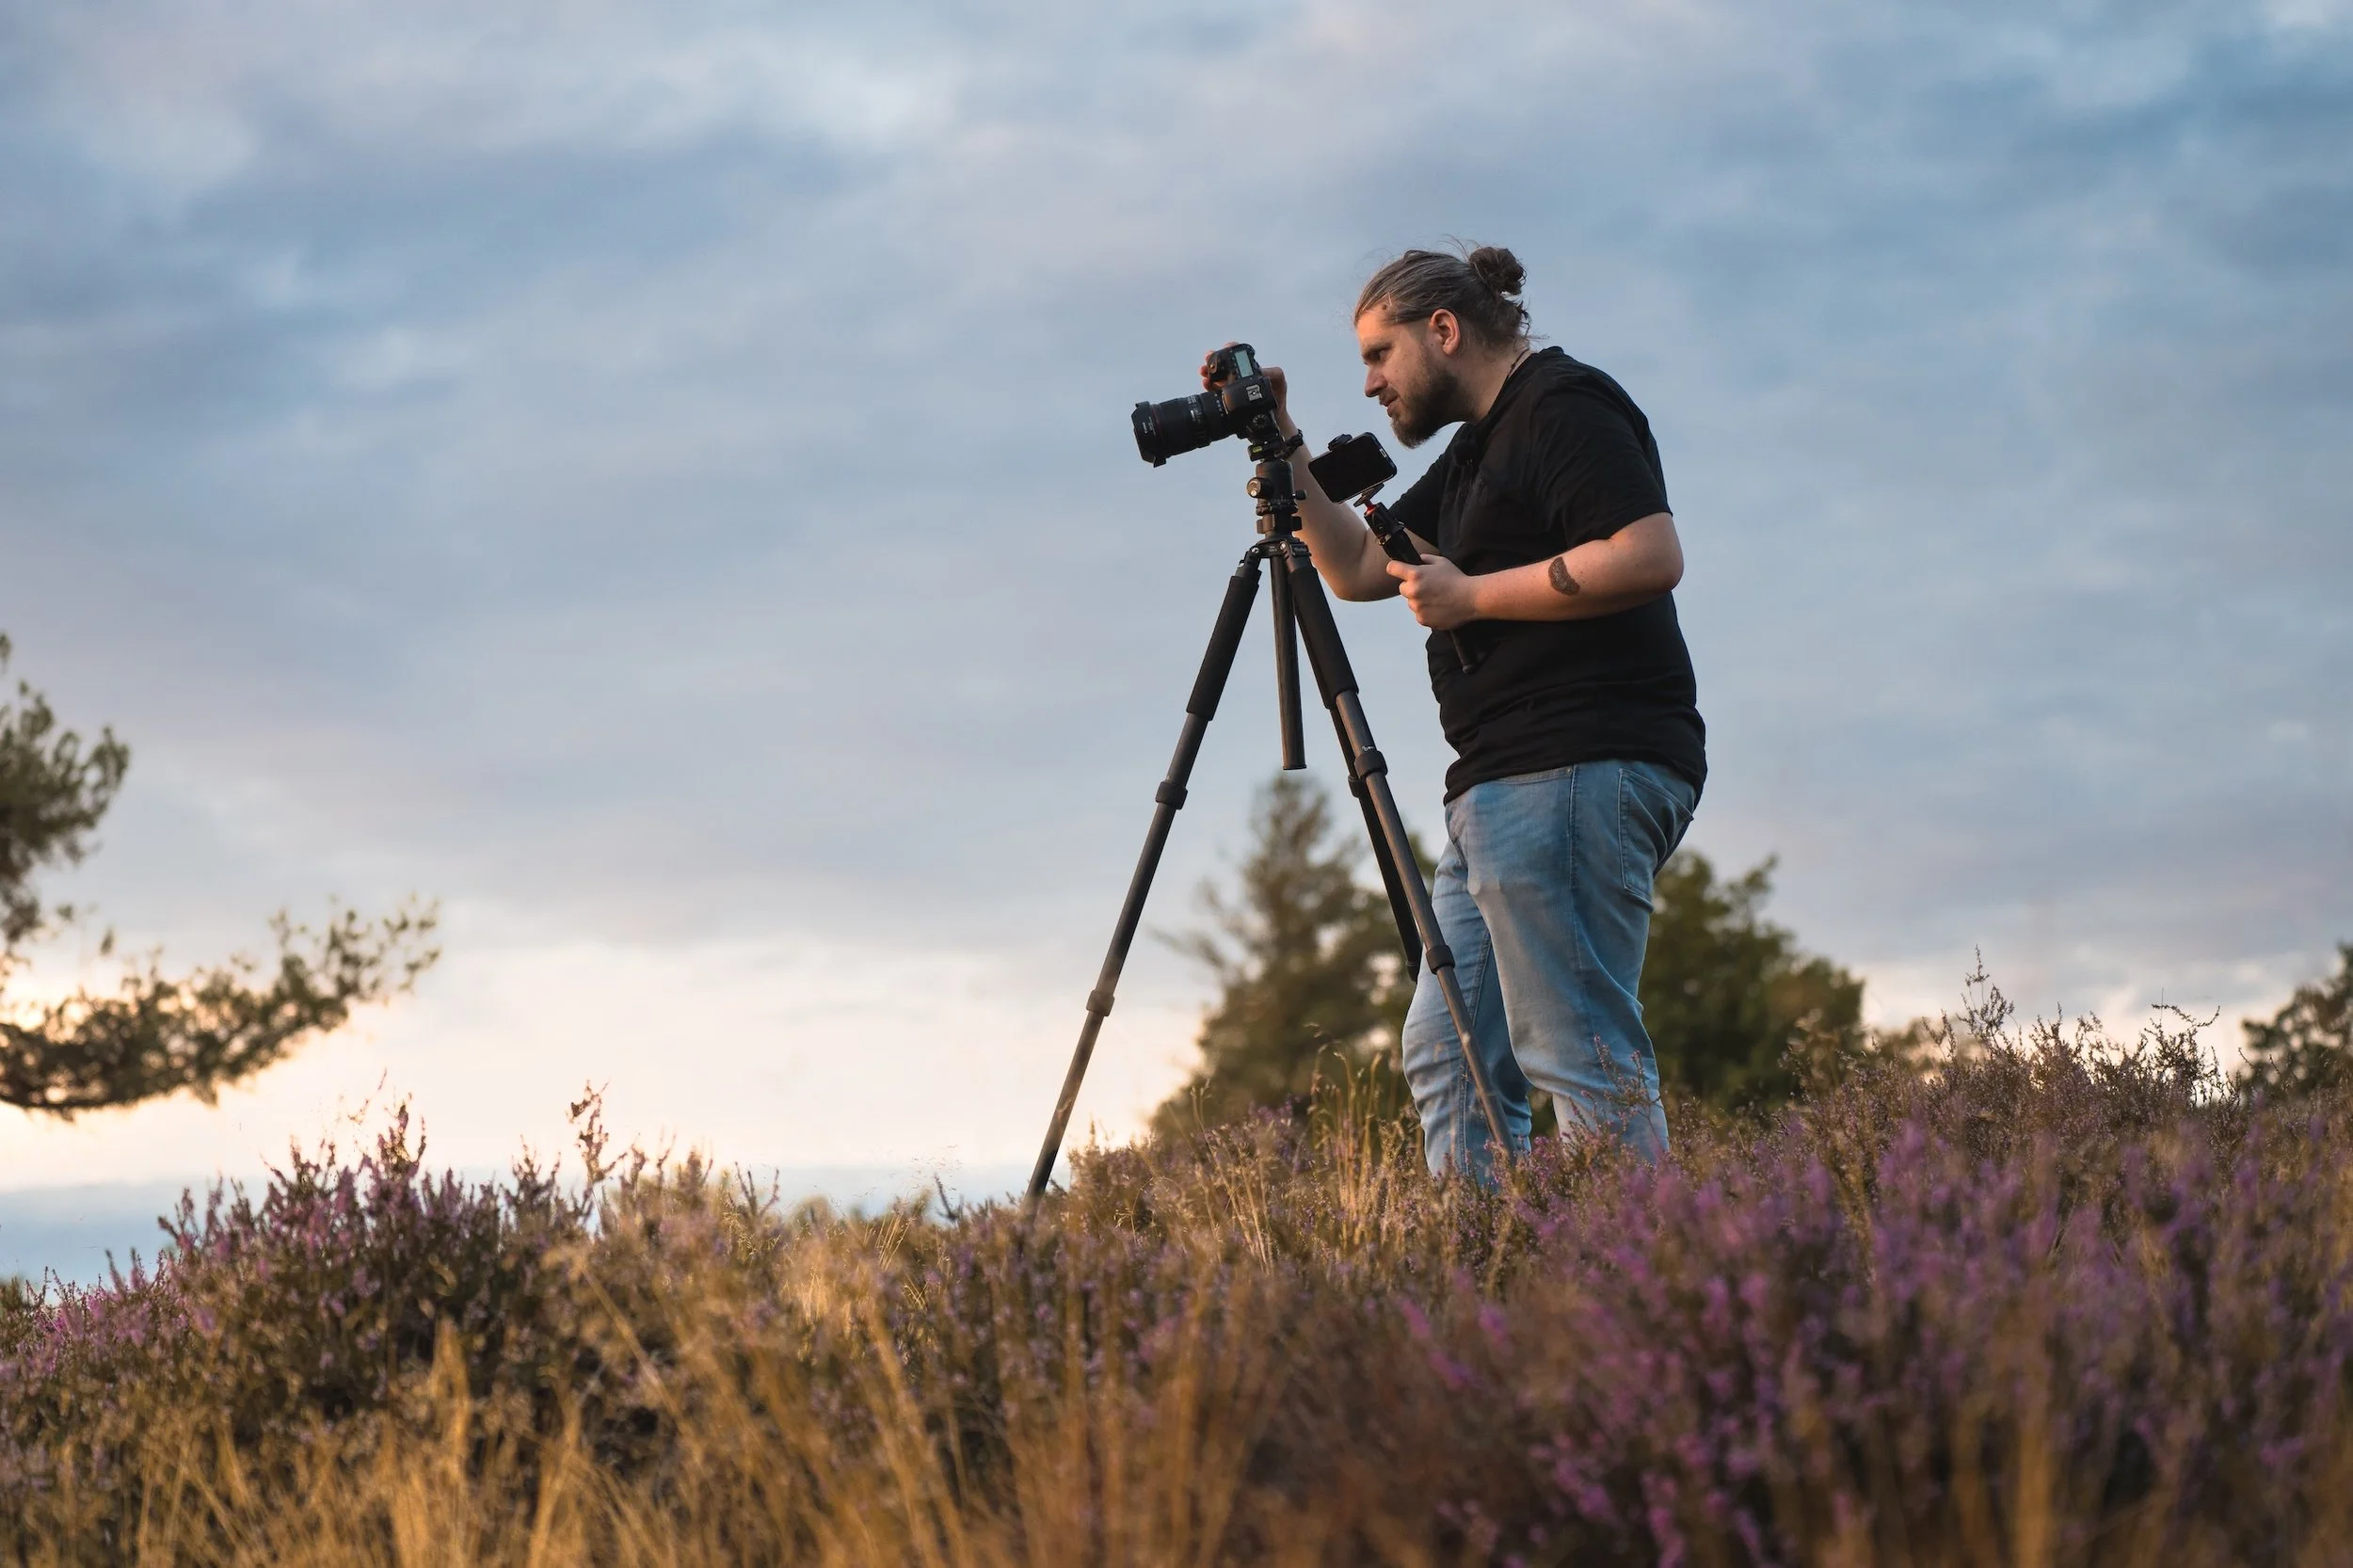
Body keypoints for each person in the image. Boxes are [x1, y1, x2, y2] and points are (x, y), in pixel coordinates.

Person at [1215, 245, 1705, 1180]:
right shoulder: (1480, 447)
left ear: (1442, 330)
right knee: (1450, 1059)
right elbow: (1362, 568)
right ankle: (1494, 1291)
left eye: (1378, 354)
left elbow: (1647, 553)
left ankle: (1649, 1290)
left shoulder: (1563, 406)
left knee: (1577, 1055)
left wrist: (1473, 598)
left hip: (1573, 760)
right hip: (1500, 787)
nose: (1368, 383)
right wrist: (1282, 438)